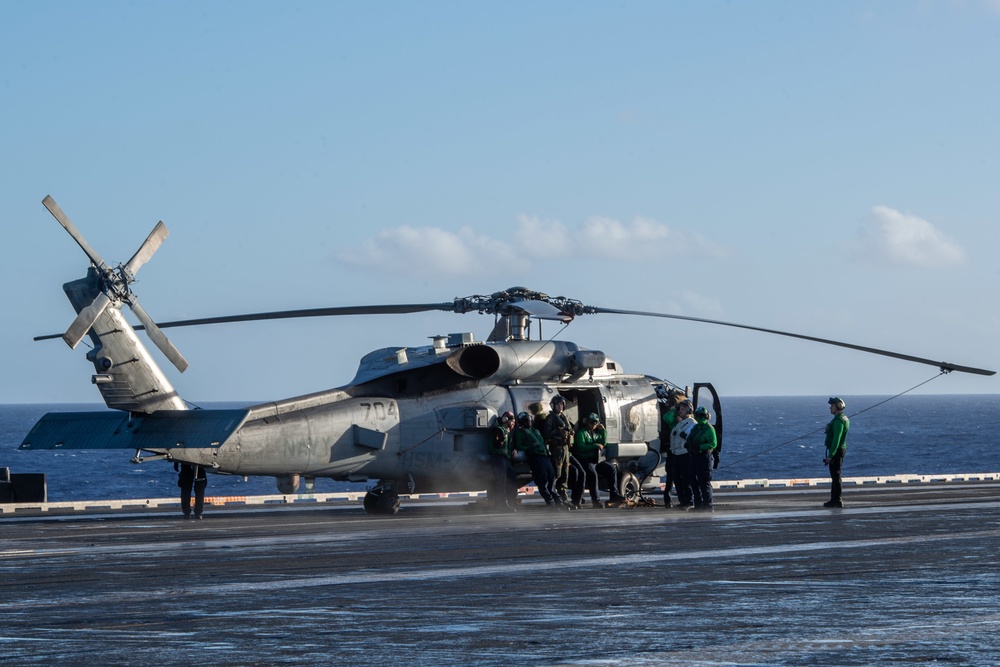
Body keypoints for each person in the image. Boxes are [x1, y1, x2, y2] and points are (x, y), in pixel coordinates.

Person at [573, 412, 625, 508]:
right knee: (593, 474)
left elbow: (603, 442)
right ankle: (595, 500)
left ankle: (614, 494)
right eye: (591, 422)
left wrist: (603, 431)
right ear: (587, 422)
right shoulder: (581, 433)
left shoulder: (596, 434)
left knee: (611, 469)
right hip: (585, 460)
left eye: (595, 423)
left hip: (596, 461)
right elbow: (581, 447)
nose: (593, 425)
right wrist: (595, 445)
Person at [514, 412, 562, 509]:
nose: (529, 422)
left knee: (551, 477)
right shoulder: (520, 432)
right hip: (535, 458)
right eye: (526, 420)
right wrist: (530, 448)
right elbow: (518, 445)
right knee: (542, 480)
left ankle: (558, 501)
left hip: (545, 456)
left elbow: (542, 443)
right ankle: (550, 502)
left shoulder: (536, 431)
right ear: (522, 422)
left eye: (529, 420)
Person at [543, 395, 581, 506]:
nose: (559, 406)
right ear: (553, 406)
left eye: (561, 404)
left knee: (565, 474)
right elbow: (546, 434)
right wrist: (557, 432)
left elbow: (569, 430)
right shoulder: (550, 418)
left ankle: (563, 498)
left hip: (565, 449)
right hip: (556, 449)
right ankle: (554, 497)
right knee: (556, 474)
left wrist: (570, 434)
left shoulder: (563, 417)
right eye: (557, 404)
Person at [656, 388, 685, 508]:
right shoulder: (682, 417)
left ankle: (681, 500)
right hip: (676, 450)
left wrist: (674, 412)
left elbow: (667, 418)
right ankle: (679, 500)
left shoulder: (682, 420)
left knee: (675, 477)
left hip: (678, 450)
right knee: (675, 477)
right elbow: (667, 418)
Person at [688, 406, 718, 511]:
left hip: (704, 457)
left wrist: (700, 447)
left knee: (704, 481)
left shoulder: (709, 428)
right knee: (693, 481)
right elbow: (690, 438)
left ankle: (708, 506)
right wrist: (689, 445)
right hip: (694, 456)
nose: (699, 417)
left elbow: (713, 444)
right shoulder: (696, 428)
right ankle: (698, 505)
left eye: (701, 415)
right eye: (697, 415)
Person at [668, 400, 696, 509]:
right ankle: (682, 501)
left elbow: (686, 436)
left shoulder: (692, 423)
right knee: (677, 479)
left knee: (686, 479)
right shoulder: (679, 423)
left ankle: (689, 501)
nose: (680, 411)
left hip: (685, 454)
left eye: (682, 409)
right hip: (676, 454)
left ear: (689, 410)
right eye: (680, 409)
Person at [488, 411, 518, 512]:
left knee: (513, 480)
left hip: (506, 458)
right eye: (512, 421)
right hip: (498, 457)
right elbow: (496, 444)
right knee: (501, 481)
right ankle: (502, 504)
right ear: (506, 420)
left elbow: (510, 444)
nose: (513, 423)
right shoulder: (498, 430)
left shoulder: (509, 432)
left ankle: (510, 502)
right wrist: (503, 435)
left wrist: (514, 449)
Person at [823, 397, 849, 508]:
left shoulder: (839, 421)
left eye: (832, 406)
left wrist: (830, 455)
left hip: (837, 451)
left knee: (835, 476)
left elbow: (836, 441)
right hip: (839, 450)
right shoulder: (841, 419)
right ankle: (834, 499)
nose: (830, 407)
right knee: (835, 476)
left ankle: (837, 500)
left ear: (838, 406)